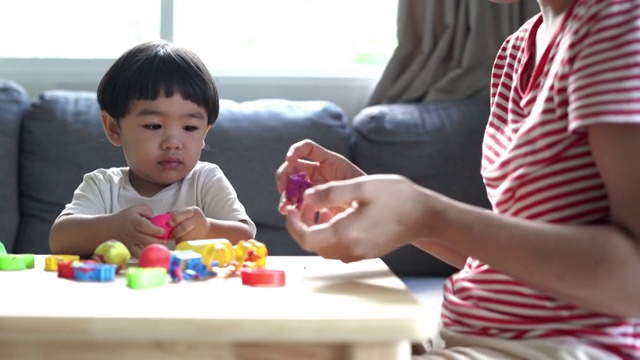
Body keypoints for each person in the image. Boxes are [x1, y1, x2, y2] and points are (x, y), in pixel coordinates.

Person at [275, 0, 640, 358]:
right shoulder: (516, 51)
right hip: (468, 335)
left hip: (563, 347)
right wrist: (392, 211)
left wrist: (429, 214)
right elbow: (506, 256)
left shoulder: (618, 22)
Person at [50, 41, 256, 259]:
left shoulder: (205, 180)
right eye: (153, 126)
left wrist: (206, 230)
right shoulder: (104, 186)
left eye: (190, 128)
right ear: (114, 128)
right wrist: (112, 229)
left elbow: (246, 238)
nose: (173, 142)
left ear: (204, 133)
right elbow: (59, 238)